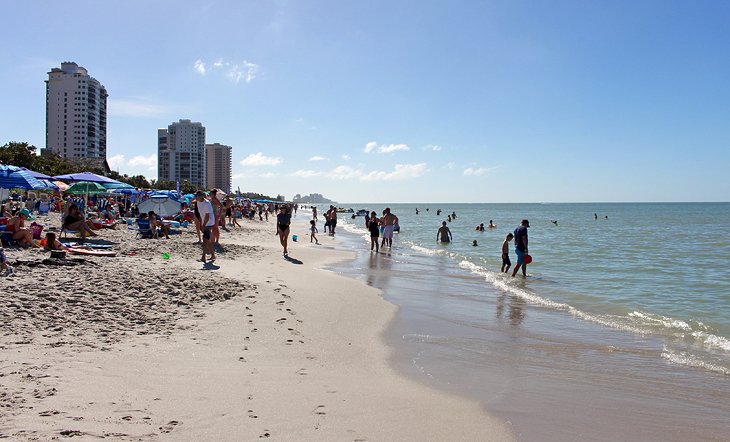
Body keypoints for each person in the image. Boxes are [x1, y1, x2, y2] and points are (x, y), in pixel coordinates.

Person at [195, 191, 216, 262]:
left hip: (209, 222)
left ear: (201, 196)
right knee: (207, 240)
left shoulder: (207, 203)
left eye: (197, 196)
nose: (196, 197)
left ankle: (203, 257)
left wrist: (203, 225)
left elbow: (207, 216)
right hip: (204, 222)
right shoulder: (198, 202)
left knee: (204, 240)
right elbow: (201, 214)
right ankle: (213, 255)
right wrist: (201, 223)